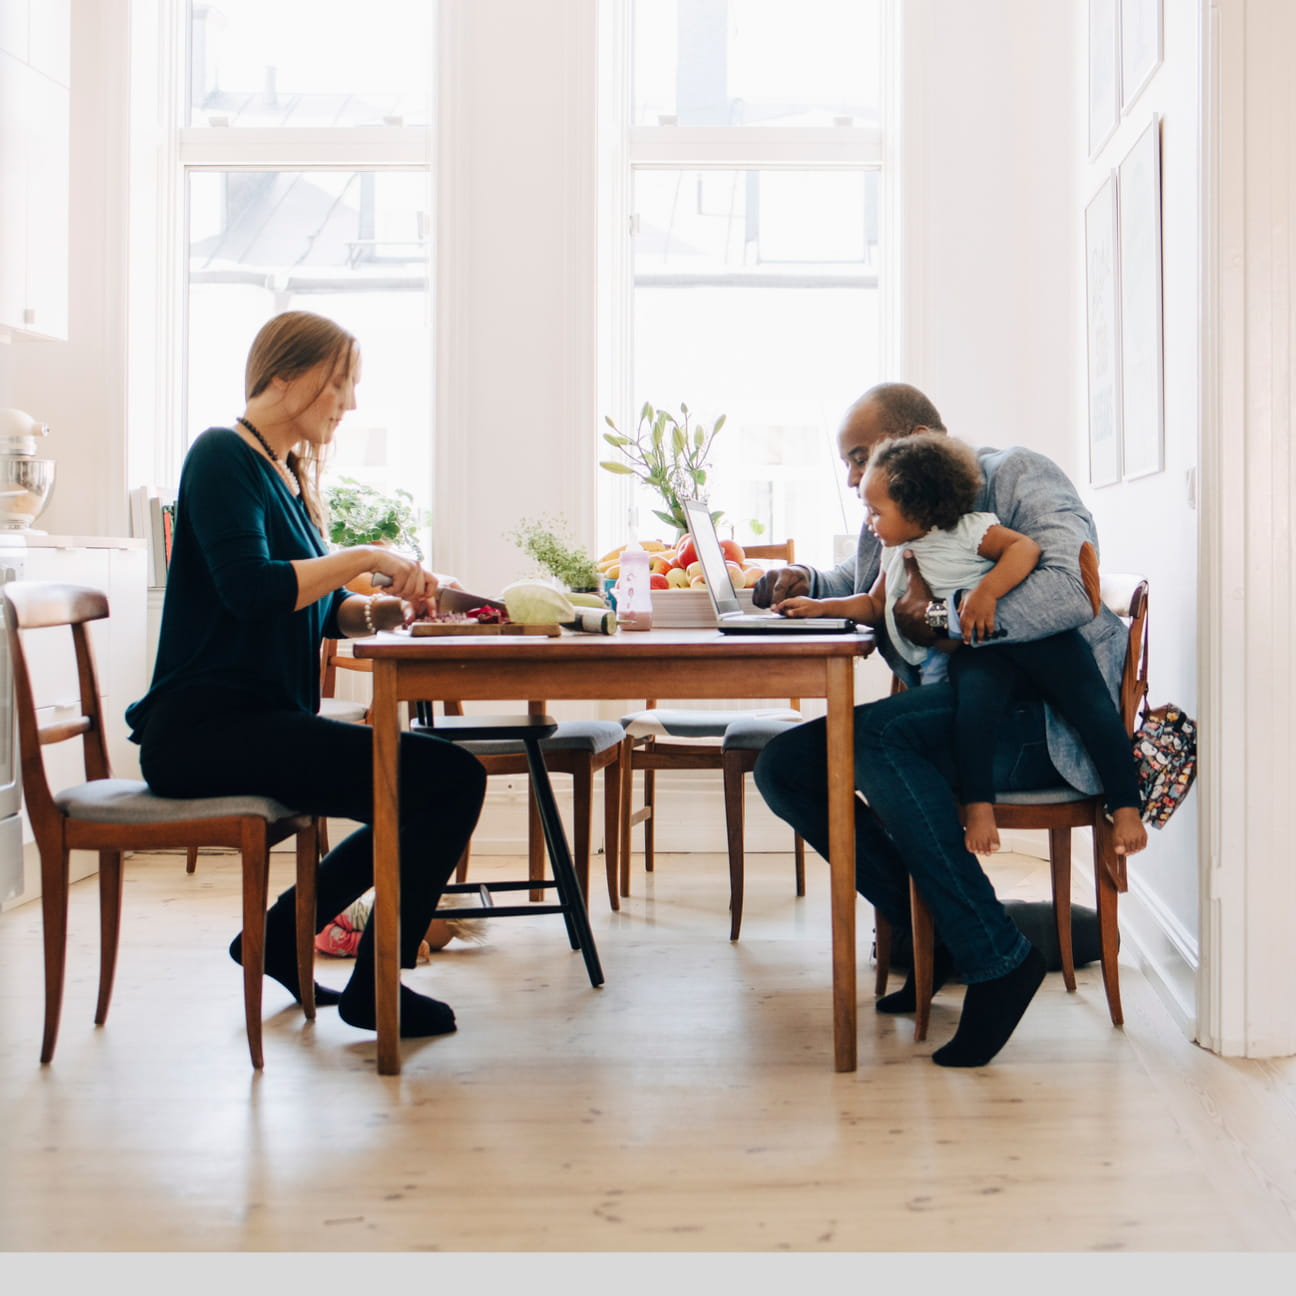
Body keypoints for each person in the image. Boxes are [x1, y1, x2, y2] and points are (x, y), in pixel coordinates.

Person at [125, 310, 487, 1039]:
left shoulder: (282, 474)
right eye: (339, 383)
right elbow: (252, 590)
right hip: (205, 731)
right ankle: (369, 984)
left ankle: (288, 935)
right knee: (448, 780)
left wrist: (390, 611)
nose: (348, 403)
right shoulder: (220, 456)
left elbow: (321, 617)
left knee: (434, 782)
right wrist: (362, 555)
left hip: (256, 723)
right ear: (284, 378)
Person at [751, 382, 1131, 1067]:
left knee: (871, 739)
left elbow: (1073, 584)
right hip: (964, 711)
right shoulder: (898, 509)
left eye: (859, 456)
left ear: (915, 441)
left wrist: (942, 618)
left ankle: (993, 955)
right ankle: (948, 938)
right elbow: (867, 578)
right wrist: (804, 579)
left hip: (1036, 723)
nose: (851, 477)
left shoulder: (1017, 475)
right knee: (786, 766)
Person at [776, 430, 1147, 859]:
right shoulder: (896, 551)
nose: (868, 522)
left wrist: (984, 594)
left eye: (876, 511)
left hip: (1037, 642)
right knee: (973, 710)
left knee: (1089, 702)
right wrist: (821, 607)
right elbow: (874, 603)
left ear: (915, 506)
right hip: (977, 649)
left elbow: (1024, 550)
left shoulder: (968, 529)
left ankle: (1126, 805)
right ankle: (979, 806)